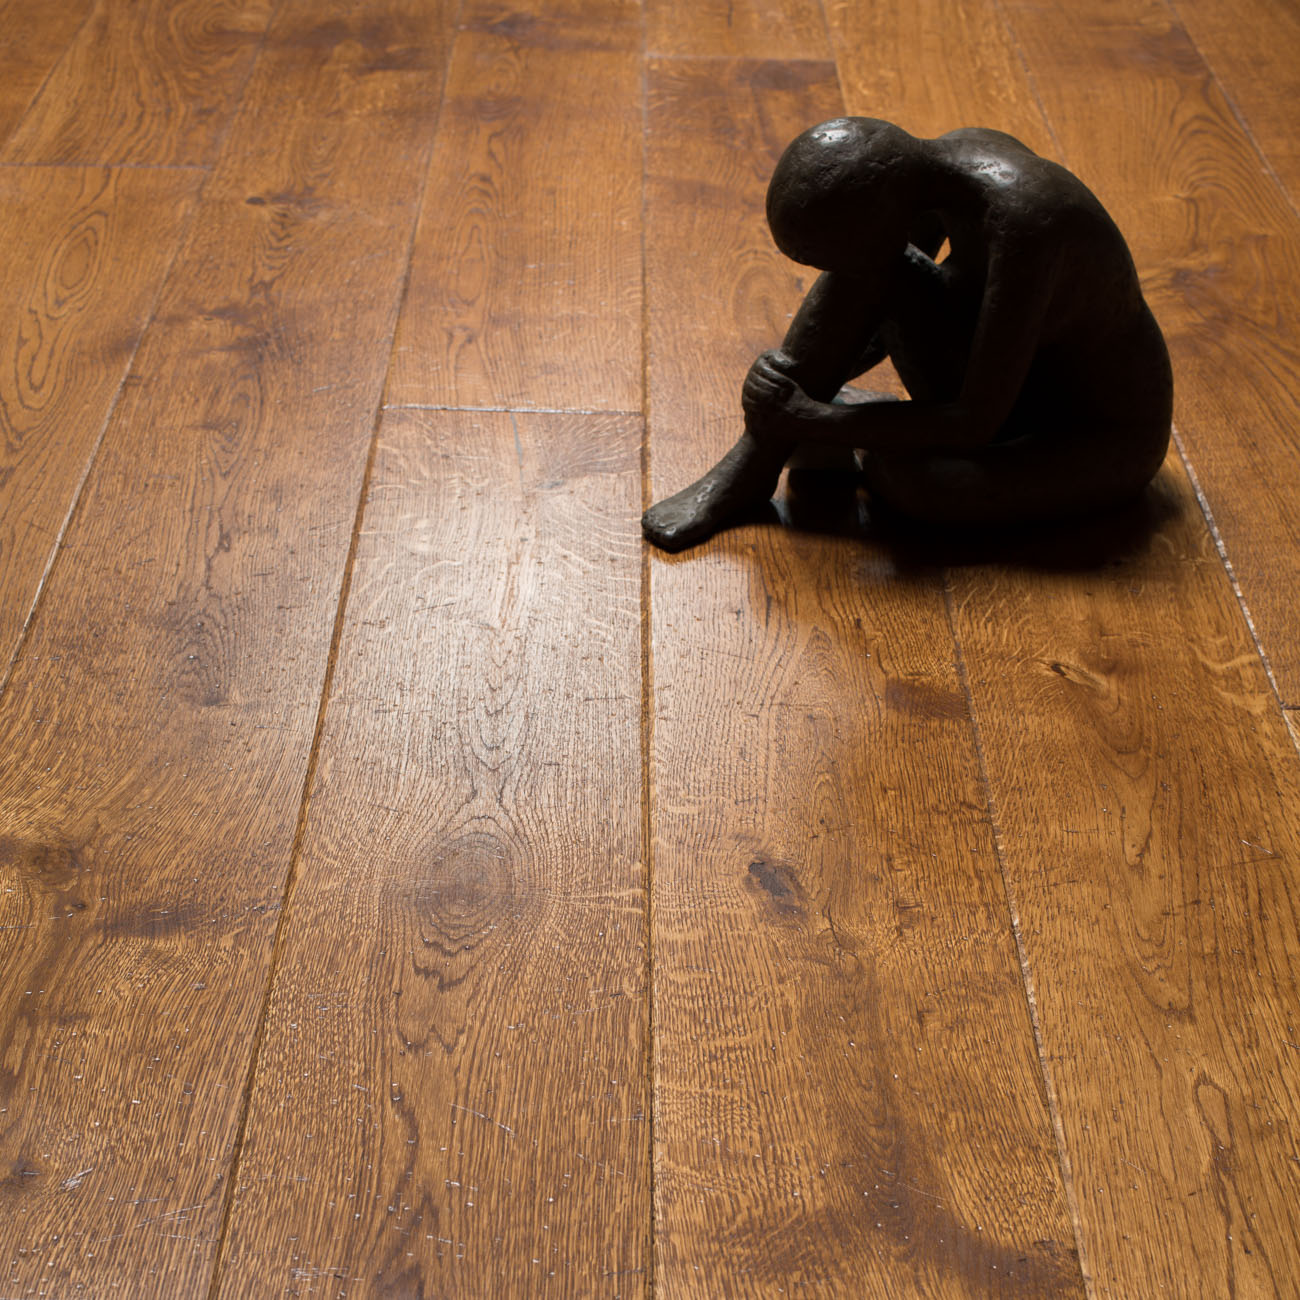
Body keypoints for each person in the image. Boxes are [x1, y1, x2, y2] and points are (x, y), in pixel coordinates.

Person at [641, 117, 1173, 552]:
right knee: (878, 273)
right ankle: (751, 467)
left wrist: (816, 418)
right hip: (1002, 375)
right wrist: (791, 384)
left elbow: (974, 423)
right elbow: (875, 302)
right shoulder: (930, 173)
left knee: (920, 487)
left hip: (1086, 434)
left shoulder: (1029, 224)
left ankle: (846, 432)